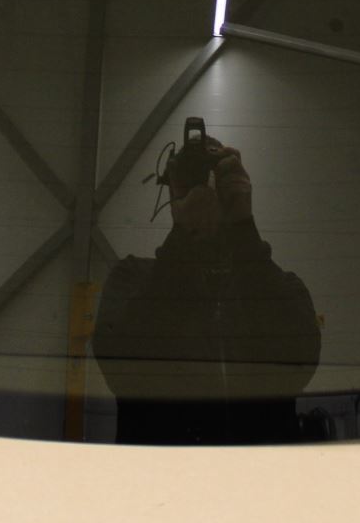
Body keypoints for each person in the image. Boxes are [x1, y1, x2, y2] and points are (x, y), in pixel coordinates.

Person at [90, 138, 322, 443]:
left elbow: (300, 361)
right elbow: (121, 368)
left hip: (256, 473)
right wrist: (183, 242)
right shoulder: (131, 277)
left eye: (213, 176)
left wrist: (243, 229)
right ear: (171, 191)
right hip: (168, 474)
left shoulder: (275, 283)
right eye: (190, 178)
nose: (203, 189)